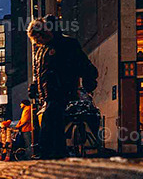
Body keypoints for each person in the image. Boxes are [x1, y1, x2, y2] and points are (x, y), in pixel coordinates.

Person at [28, 18, 98, 159]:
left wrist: (89, 77)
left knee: (49, 118)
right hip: (49, 92)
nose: (37, 42)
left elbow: (81, 62)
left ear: (45, 32)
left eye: (38, 38)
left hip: (63, 88)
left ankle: (45, 151)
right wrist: (35, 87)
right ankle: (59, 152)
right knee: (56, 121)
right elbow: (39, 73)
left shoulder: (66, 44)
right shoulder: (41, 51)